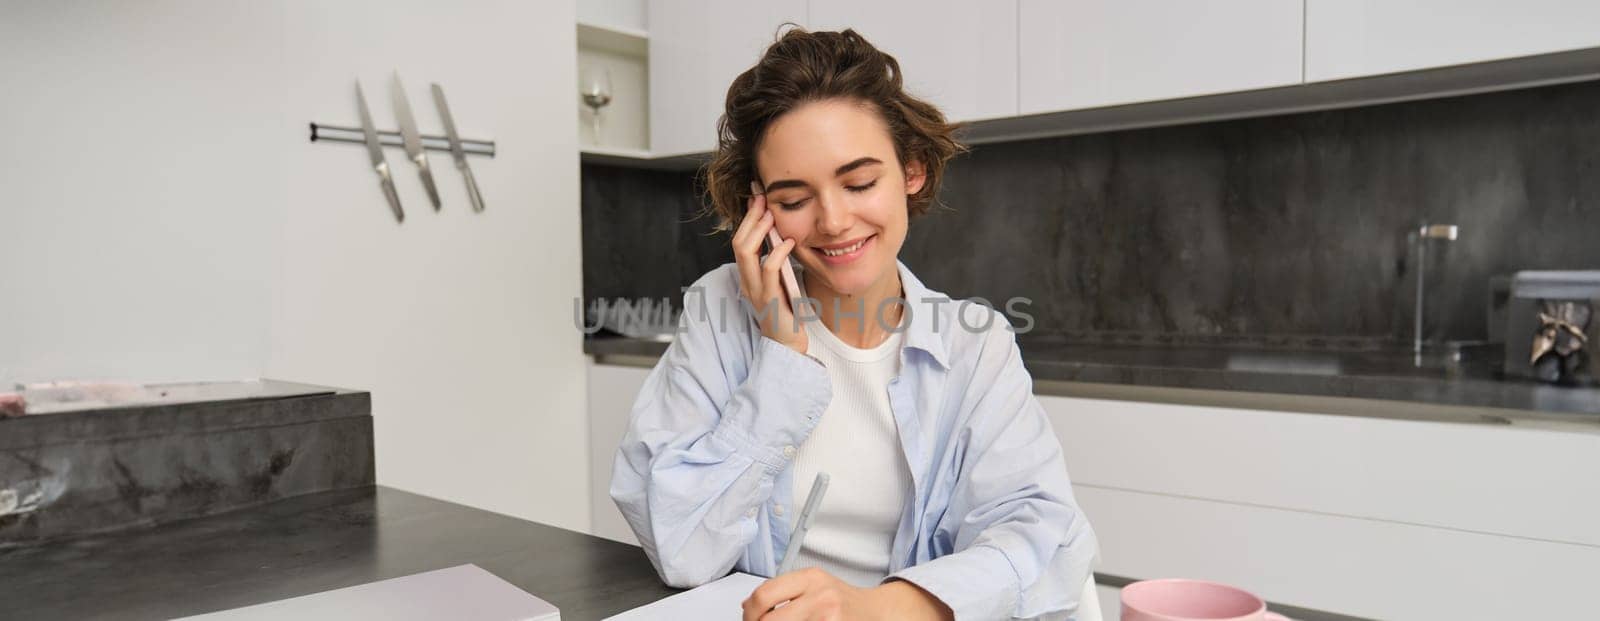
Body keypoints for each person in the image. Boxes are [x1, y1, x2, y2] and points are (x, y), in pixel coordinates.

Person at [610, 27, 1098, 621]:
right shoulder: (720, 311)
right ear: (759, 207)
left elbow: (1044, 544)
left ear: (911, 170)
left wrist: (875, 608)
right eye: (794, 200)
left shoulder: (975, 344)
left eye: (860, 183)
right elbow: (680, 548)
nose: (835, 221)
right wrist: (782, 358)